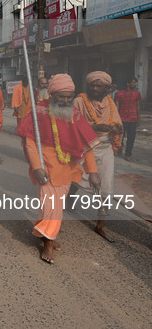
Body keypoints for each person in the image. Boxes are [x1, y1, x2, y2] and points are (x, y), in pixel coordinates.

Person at [18, 74, 101, 264]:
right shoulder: (39, 111)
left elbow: (86, 145)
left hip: (66, 168)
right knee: (49, 206)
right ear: (52, 94)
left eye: (69, 96)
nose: (65, 100)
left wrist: (93, 172)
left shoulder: (75, 114)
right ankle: (48, 242)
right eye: (61, 96)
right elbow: (30, 143)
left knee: (56, 207)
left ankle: (45, 233)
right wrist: (37, 167)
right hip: (45, 166)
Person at [73, 71, 123, 242]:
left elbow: (118, 124)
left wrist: (116, 129)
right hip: (84, 146)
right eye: (91, 85)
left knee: (106, 185)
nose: (94, 88)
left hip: (105, 147)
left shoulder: (110, 103)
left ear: (107, 88)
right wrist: (94, 127)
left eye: (98, 85)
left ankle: (100, 225)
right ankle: (66, 201)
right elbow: (71, 124)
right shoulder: (79, 101)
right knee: (75, 178)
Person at [114, 77, 141, 160]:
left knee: (131, 137)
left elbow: (138, 106)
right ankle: (119, 149)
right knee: (120, 135)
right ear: (128, 84)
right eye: (133, 82)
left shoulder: (137, 93)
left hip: (133, 118)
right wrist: (115, 118)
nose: (135, 84)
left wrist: (139, 118)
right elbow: (116, 106)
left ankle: (128, 154)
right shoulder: (119, 94)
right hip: (121, 118)